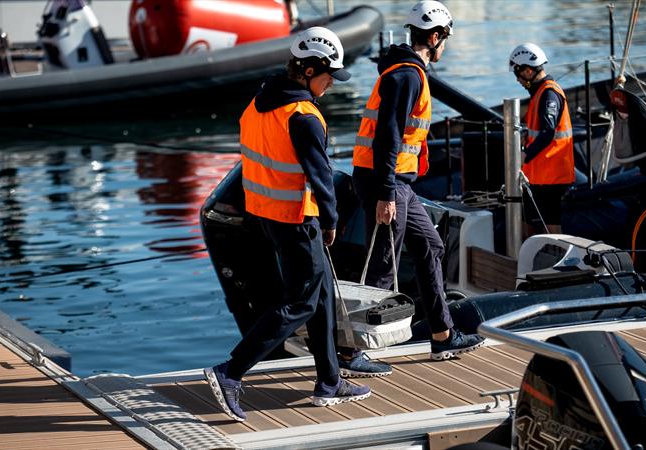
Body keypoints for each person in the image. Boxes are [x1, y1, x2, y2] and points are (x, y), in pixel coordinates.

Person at [204, 27, 370, 423]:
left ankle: (329, 380)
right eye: (328, 74)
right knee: (301, 301)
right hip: (297, 219)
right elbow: (321, 177)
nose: (331, 82)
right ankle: (231, 371)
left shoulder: (259, 103)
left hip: (265, 215)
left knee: (322, 292)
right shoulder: (304, 116)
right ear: (309, 69)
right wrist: (330, 222)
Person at [351, 1, 485, 361]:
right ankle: (352, 351)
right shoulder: (407, 75)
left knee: (431, 246)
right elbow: (388, 137)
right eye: (446, 40)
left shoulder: (408, 72)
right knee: (383, 264)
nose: (446, 46)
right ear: (437, 36)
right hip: (386, 182)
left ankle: (442, 335)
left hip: (399, 183)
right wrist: (384, 193)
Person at [509, 43, 575, 236]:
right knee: (528, 218)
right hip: (540, 173)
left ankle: (557, 259)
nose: (518, 80)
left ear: (528, 70)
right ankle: (528, 256)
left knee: (551, 222)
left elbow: (547, 133)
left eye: (518, 75)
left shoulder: (549, 94)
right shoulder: (540, 93)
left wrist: (524, 154)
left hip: (551, 174)